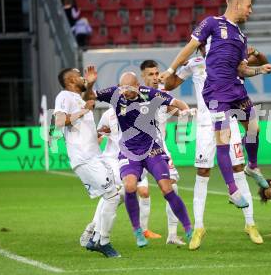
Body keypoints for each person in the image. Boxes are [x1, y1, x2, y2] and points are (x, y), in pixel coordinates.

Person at [160, 0, 271, 209]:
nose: (250, 10)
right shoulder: (212, 23)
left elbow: (242, 69)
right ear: (237, 5)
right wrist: (170, 69)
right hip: (215, 91)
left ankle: (252, 166)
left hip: (235, 87)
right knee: (223, 140)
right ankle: (233, 190)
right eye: (248, 6)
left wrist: (259, 69)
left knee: (254, 128)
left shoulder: (241, 36)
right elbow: (190, 47)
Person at [162, 45, 268, 250]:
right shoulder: (194, 64)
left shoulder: (230, 60)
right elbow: (170, 84)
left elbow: (260, 63)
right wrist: (171, 70)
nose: (204, 46)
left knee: (238, 169)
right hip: (204, 126)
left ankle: (250, 224)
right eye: (201, 44)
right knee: (202, 173)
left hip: (228, 120)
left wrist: (256, 53)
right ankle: (199, 228)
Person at [83, 67, 193, 248]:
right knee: (129, 186)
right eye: (122, 87)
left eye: (129, 87)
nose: (125, 91)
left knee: (167, 188)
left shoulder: (148, 93)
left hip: (152, 150)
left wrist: (186, 110)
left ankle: (188, 228)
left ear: (138, 86)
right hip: (129, 151)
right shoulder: (114, 94)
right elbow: (88, 97)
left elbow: (175, 101)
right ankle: (138, 231)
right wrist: (91, 84)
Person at [54, 68, 121, 257]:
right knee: (112, 196)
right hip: (83, 157)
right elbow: (59, 121)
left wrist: (90, 84)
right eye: (80, 75)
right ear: (71, 79)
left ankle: (95, 236)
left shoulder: (78, 97)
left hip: (94, 155)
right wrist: (85, 110)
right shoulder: (64, 96)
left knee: (117, 193)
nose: (83, 76)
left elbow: (87, 94)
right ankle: (101, 240)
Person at [79, 105, 162, 249]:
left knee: (121, 195)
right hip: (113, 160)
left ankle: (97, 227)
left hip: (135, 160)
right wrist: (91, 152)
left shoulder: (140, 110)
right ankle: (95, 229)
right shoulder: (109, 114)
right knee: (113, 193)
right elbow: (99, 135)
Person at [140, 59, 187, 245]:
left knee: (172, 186)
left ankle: (172, 235)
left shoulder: (163, 94)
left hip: (159, 148)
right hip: (136, 150)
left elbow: (170, 109)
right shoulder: (136, 95)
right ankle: (96, 229)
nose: (155, 77)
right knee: (119, 193)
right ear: (142, 76)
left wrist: (185, 112)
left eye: (156, 73)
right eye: (150, 74)